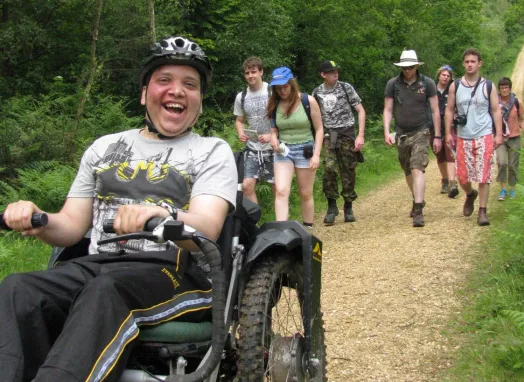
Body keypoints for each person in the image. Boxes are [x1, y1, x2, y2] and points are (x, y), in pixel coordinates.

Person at [0, 36, 237, 381]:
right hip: (98, 264)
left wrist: (161, 215)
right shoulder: (104, 148)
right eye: (164, 81)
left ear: (199, 101)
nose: (177, 91)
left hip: (176, 274)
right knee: (16, 289)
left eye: (190, 84)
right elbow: (69, 226)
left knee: (105, 291)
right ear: (145, 93)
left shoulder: (212, 151)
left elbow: (207, 226)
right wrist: (37, 218)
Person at [383, 50, 442, 227]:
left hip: (422, 131)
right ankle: (417, 198)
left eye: (411, 67)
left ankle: (418, 210)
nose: (408, 70)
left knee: (417, 168)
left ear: (416, 66)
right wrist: (386, 131)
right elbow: (387, 109)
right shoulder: (393, 84)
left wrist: (437, 135)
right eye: (405, 67)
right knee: (407, 170)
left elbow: (435, 111)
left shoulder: (427, 83)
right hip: (401, 133)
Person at [445, 48, 503, 226]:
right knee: (462, 177)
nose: (470, 64)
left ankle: (483, 211)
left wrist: (498, 134)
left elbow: (495, 110)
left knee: (483, 175)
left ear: (479, 63)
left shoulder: (489, 86)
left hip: (484, 134)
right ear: (463, 64)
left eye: (473, 61)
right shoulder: (455, 85)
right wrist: (448, 132)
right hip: (463, 136)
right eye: (467, 61)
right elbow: (449, 109)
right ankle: (470, 194)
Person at [268, 67, 324, 229]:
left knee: (305, 193)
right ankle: (281, 231)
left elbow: (319, 129)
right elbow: (273, 130)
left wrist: (316, 155)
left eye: (285, 86)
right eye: (278, 88)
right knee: (281, 190)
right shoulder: (274, 103)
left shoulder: (308, 101)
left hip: (305, 149)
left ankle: (307, 229)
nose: (282, 90)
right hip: (283, 151)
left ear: (292, 84)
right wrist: (273, 139)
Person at [312, 60, 366, 225]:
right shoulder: (316, 93)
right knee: (329, 169)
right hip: (328, 136)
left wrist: (360, 136)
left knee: (348, 171)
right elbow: (314, 117)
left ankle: (348, 206)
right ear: (323, 75)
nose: (335, 74)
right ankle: (331, 205)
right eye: (331, 72)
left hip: (347, 134)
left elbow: (361, 111)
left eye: (336, 71)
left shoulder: (345, 87)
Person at [233, 56, 275, 204]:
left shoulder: (272, 91)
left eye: (253, 72)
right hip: (252, 148)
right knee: (246, 186)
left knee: (277, 187)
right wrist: (241, 133)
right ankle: (254, 223)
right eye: (247, 73)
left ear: (261, 72)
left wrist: (271, 135)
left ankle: (280, 223)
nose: (250, 75)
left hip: (273, 147)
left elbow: (284, 118)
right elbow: (239, 120)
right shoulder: (241, 96)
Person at [496, 77, 524, 201]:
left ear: (510, 88)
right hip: (500, 138)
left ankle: (512, 189)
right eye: (502, 87)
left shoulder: (516, 102)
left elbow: (521, 119)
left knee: (513, 165)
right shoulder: (495, 102)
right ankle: (503, 189)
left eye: (506, 87)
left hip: (514, 137)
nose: (504, 89)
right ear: (499, 89)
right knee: (502, 162)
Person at [433, 65, 460, 198]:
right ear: (439, 75)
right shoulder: (431, 89)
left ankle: (452, 183)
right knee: (440, 155)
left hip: (450, 126)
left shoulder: (453, 90)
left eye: (448, 76)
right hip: (433, 127)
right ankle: (444, 180)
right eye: (443, 75)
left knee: (450, 153)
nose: (445, 78)